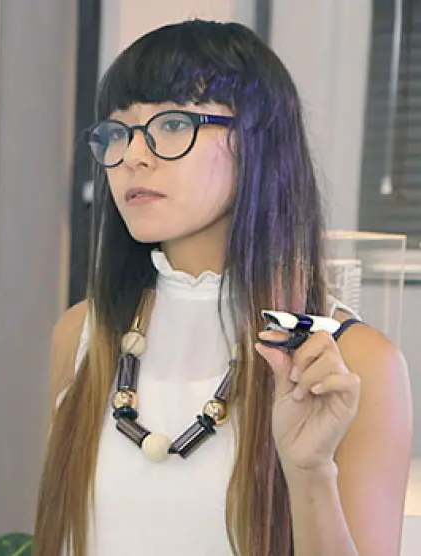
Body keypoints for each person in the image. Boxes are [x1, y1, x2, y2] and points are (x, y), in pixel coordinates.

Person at [34, 20, 412, 556]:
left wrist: (309, 473)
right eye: (117, 132)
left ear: (257, 141)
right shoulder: (82, 335)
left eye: (172, 123)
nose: (133, 155)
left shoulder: (353, 363)